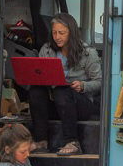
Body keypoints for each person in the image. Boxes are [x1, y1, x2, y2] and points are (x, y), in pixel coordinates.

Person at [29, 12, 101, 156]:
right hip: (56, 103)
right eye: (54, 32)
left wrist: (83, 85)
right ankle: (41, 141)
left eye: (62, 33)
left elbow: (100, 82)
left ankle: (72, 141)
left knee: (62, 91)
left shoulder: (88, 53)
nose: (57, 37)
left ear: (71, 33)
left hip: (81, 104)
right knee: (35, 90)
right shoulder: (47, 50)